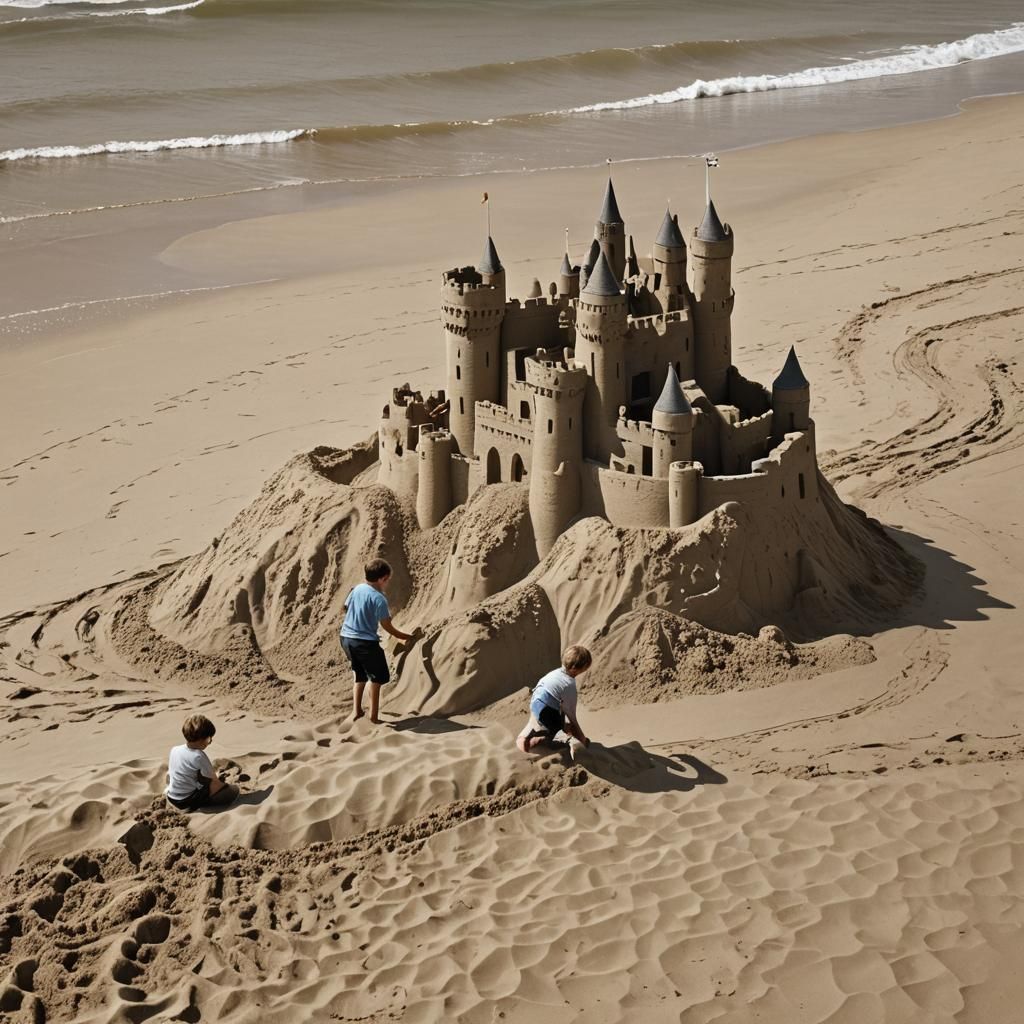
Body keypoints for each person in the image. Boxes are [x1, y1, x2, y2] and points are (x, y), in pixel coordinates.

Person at [341, 558, 415, 724]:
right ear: (382, 579)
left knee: (359, 675)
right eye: (387, 579)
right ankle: (374, 717)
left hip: (346, 638)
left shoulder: (357, 588)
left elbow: (345, 608)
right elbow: (387, 626)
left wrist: (360, 615)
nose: (387, 583)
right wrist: (405, 637)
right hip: (365, 643)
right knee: (377, 678)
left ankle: (357, 711)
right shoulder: (379, 598)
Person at [516, 644, 592, 753]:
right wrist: (582, 739)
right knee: (564, 729)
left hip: (535, 704)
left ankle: (526, 741)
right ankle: (560, 742)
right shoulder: (568, 685)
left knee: (524, 737)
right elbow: (572, 717)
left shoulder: (554, 673)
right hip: (547, 712)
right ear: (576, 669)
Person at [165, 714, 239, 811]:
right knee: (231, 791)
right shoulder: (198, 756)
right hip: (187, 801)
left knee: (171, 774)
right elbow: (214, 781)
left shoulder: (175, 749)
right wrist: (227, 786)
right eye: (209, 739)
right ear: (200, 739)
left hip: (172, 797)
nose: (210, 741)